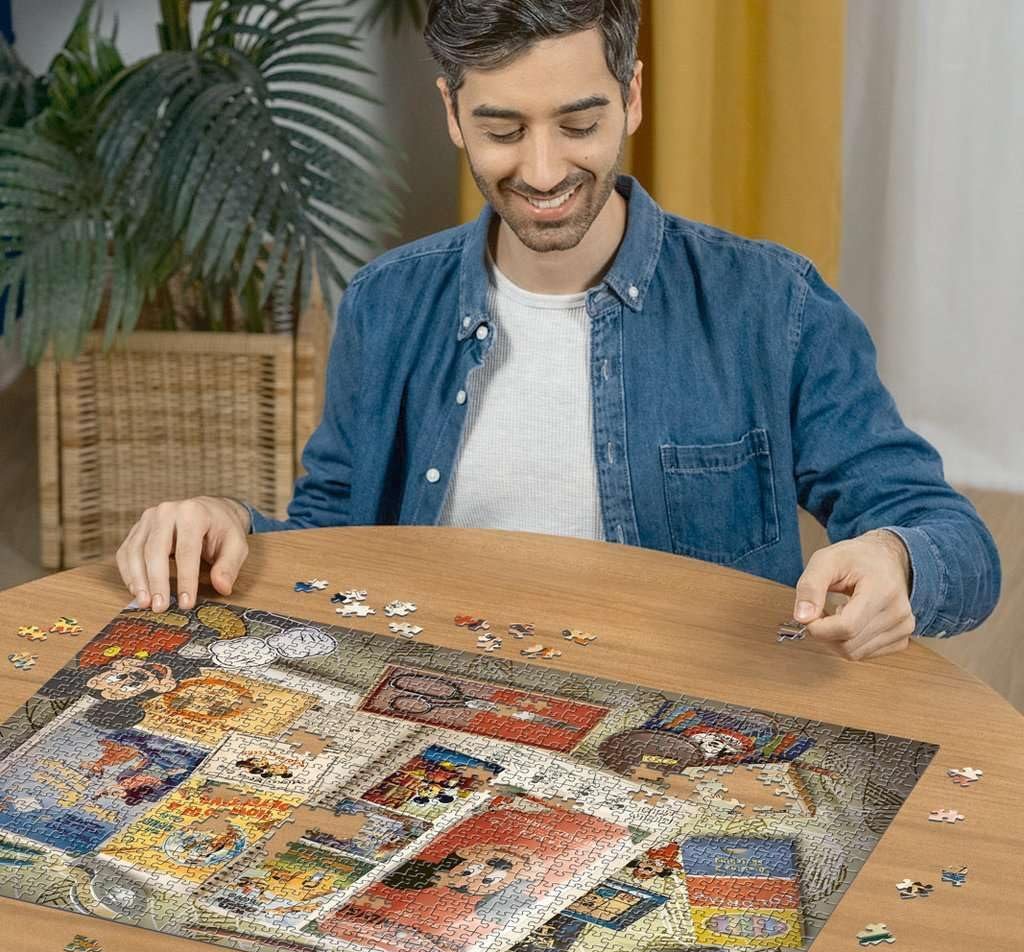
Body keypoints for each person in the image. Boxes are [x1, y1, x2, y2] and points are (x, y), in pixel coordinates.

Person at [116, 0, 1000, 661]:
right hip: (434, 716)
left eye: (579, 124)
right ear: (453, 113)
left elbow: (956, 541)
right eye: (502, 130)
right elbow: (330, 544)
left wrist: (896, 559)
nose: (542, 172)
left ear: (632, 96)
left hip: (686, 739)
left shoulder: (772, 304)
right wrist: (225, 521)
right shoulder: (385, 302)